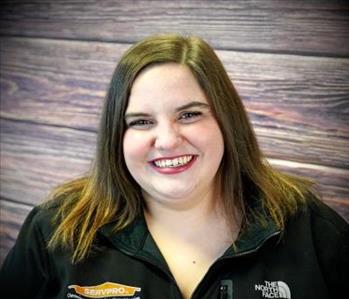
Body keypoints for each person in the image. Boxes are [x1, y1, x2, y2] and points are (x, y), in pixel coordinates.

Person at [1, 34, 348, 299]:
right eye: (140, 122)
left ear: (227, 122)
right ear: (116, 137)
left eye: (189, 114)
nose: (166, 140)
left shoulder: (311, 229)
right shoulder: (55, 230)